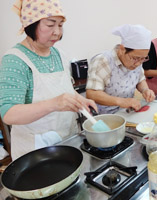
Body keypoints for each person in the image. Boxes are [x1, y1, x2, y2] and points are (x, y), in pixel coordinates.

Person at [0, 0, 97, 160]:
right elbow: (9, 114)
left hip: (67, 142)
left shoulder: (58, 54)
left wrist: (79, 100)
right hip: (36, 153)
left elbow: (63, 89)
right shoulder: (15, 60)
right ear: (30, 24)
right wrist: (54, 104)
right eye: (50, 25)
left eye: (60, 25)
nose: (57, 32)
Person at [86, 24, 155, 114]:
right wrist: (121, 101)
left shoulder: (138, 59)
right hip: (105, 117)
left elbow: (140, 79)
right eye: (135, 58)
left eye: (143, 58)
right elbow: (92, 93)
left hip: (127, 112)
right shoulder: (103, 60)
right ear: (122, 49)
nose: (138, 63)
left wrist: (145, 90)